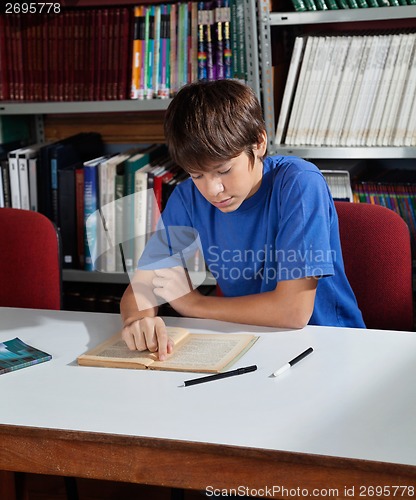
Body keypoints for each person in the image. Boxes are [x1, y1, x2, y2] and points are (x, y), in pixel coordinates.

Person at [120, 79, 365, 360]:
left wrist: (194, 305)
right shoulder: (188, 197)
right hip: (246, 343)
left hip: (326, 346)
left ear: (259, 142)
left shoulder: (299, 184)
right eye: (197, 175)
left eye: (223, 170)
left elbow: (293, 312)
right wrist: (137, 321)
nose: (212, 190)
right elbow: (142, 286)